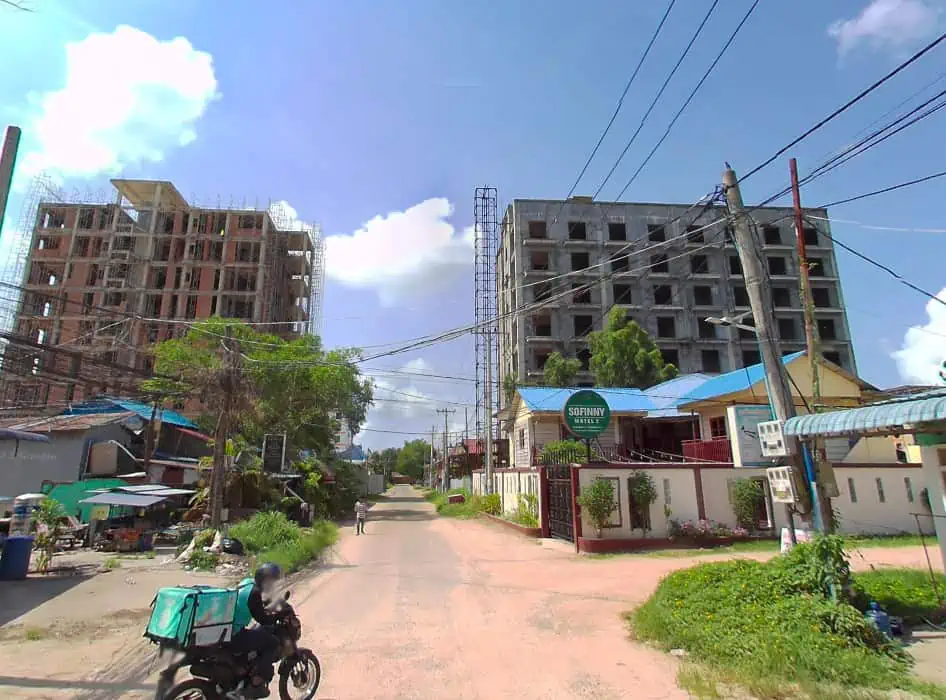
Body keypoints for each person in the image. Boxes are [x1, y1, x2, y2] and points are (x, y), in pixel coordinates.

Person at [229, 563, 283, 699]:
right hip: (235, 635)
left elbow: (255, 605)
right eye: (272, 581)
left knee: (255, 636)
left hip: (225, 632)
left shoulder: (246, 584)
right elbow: (263, 619)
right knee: (272, 642)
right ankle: (256, 683)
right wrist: (277, 616)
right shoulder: (254, 594)